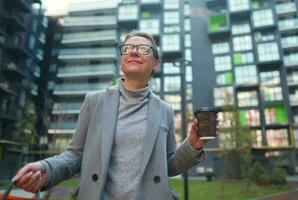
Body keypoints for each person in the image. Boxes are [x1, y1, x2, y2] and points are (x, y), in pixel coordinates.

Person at [11, 31, 210, 200]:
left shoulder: (164, 110)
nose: (133, 51)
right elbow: (76, 155)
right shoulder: (94, 101)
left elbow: (168, 166)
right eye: (128, 48)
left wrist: (193, 145)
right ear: (122, 60)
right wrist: (46, 169)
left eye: (143, 49)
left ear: (155, 64)